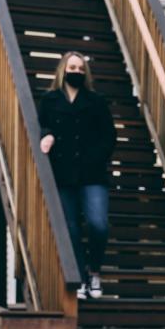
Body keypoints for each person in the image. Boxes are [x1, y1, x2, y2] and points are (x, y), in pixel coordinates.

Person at [38, 51, 116, 298]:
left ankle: (94, 271)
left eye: (81, 69)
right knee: (70, 228)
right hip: (63, 175)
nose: (77, 72)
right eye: (72, 67)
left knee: (98, 224)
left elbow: (109, 136)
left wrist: (96, 158)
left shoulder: (96, 101)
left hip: (92, 174)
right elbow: (40, 125)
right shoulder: (50, 100)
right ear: (63, 69)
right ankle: (80, 279)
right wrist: (47, 134)